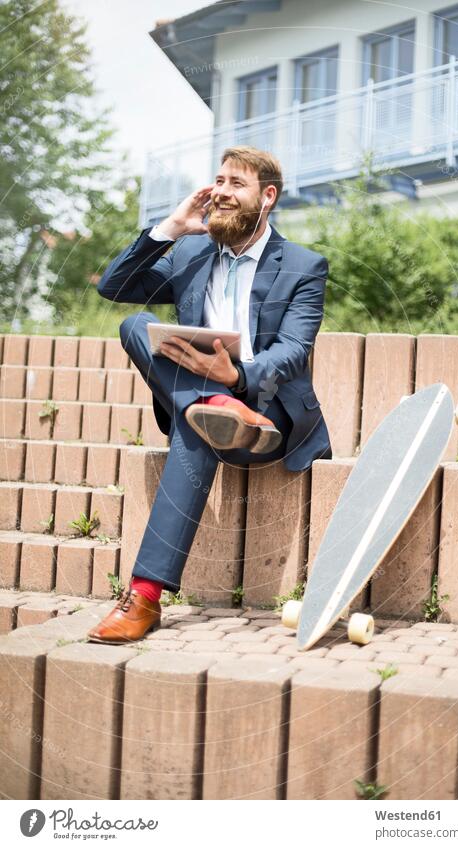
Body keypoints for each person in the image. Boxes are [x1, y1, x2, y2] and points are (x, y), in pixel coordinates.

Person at [87, 145, 331, 644]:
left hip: (267, 417)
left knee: (194, 425)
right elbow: (115, 286)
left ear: (267, 197)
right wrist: (170, 229)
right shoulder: (193, 254)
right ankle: (211, 406)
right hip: (211, 404)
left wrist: (236, 377)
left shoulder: (304, 266)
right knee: (137, 325)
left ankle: (144, 598)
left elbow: (292, 351)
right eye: (217, 182)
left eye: (234, 184)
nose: (220, 192)